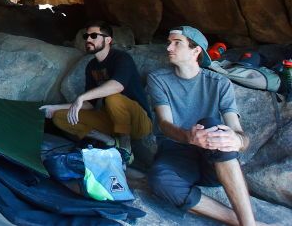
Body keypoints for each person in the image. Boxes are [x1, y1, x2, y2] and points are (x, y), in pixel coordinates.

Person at [147, 26, 263, 226]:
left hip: (214, 159)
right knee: (158, 180)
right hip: (176, 154)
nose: (168, 48)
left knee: (211, 125)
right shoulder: (158, 79)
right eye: (168, 42)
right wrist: (188, 137)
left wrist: (238, 140)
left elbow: (239, 133)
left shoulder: (219, 83)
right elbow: (165, 124)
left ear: (196, 50)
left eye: (177, 43)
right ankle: (246, 222)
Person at [40, 21, 151, 164]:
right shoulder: (91, 66)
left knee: (112, 97)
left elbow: (117, 86)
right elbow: (89, 104)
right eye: (86, 36)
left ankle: (125, 147)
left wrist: (81, 97)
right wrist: (55, 108)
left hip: (138, 122)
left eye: (93, 36)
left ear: (108, 40)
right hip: (111, 122)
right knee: (60, 117)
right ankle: (110, 141)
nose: (88, 40)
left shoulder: (121, 58)